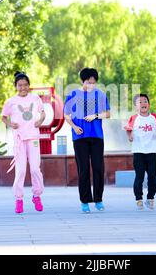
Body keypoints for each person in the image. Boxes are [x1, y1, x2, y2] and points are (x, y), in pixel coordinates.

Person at [64, 68, 110, 213]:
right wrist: (74, 127)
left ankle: (98, 199)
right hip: (80, 137)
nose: (91, 85)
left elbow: (108, 114)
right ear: (82, 81)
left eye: (93, 83)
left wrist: (95, 116)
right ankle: (85, 201)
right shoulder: (72, 94)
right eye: (88, 83)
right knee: (83, 169)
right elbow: (66, 115)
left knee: (98, 168)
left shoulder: (100, 95)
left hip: (96, 136)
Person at [1, 72, 46, 214]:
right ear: (15, 86)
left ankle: (36, 195)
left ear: (29, 85)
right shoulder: (11, 101)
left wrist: (40, 120)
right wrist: (10, 123)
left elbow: (43, 113)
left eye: (25, 85)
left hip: (33, 138)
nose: (23, 88)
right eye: (20, 85)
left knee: (34, 169)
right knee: (20, 171)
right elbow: (3, 117)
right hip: (19, 140)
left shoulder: (35, 98)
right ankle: (19, 199)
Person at [124, 94, 156, 210]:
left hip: (151, 152)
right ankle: (138, 198)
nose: (143, 103)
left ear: (149, 104)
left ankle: (150, 198)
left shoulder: (154, 118)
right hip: (138, 152)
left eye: (145, 101)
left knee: (153, 178)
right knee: (140, 177)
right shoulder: (134, 118)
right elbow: (128, 129)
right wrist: (130, 136)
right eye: (140, 102)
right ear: (136, 106)